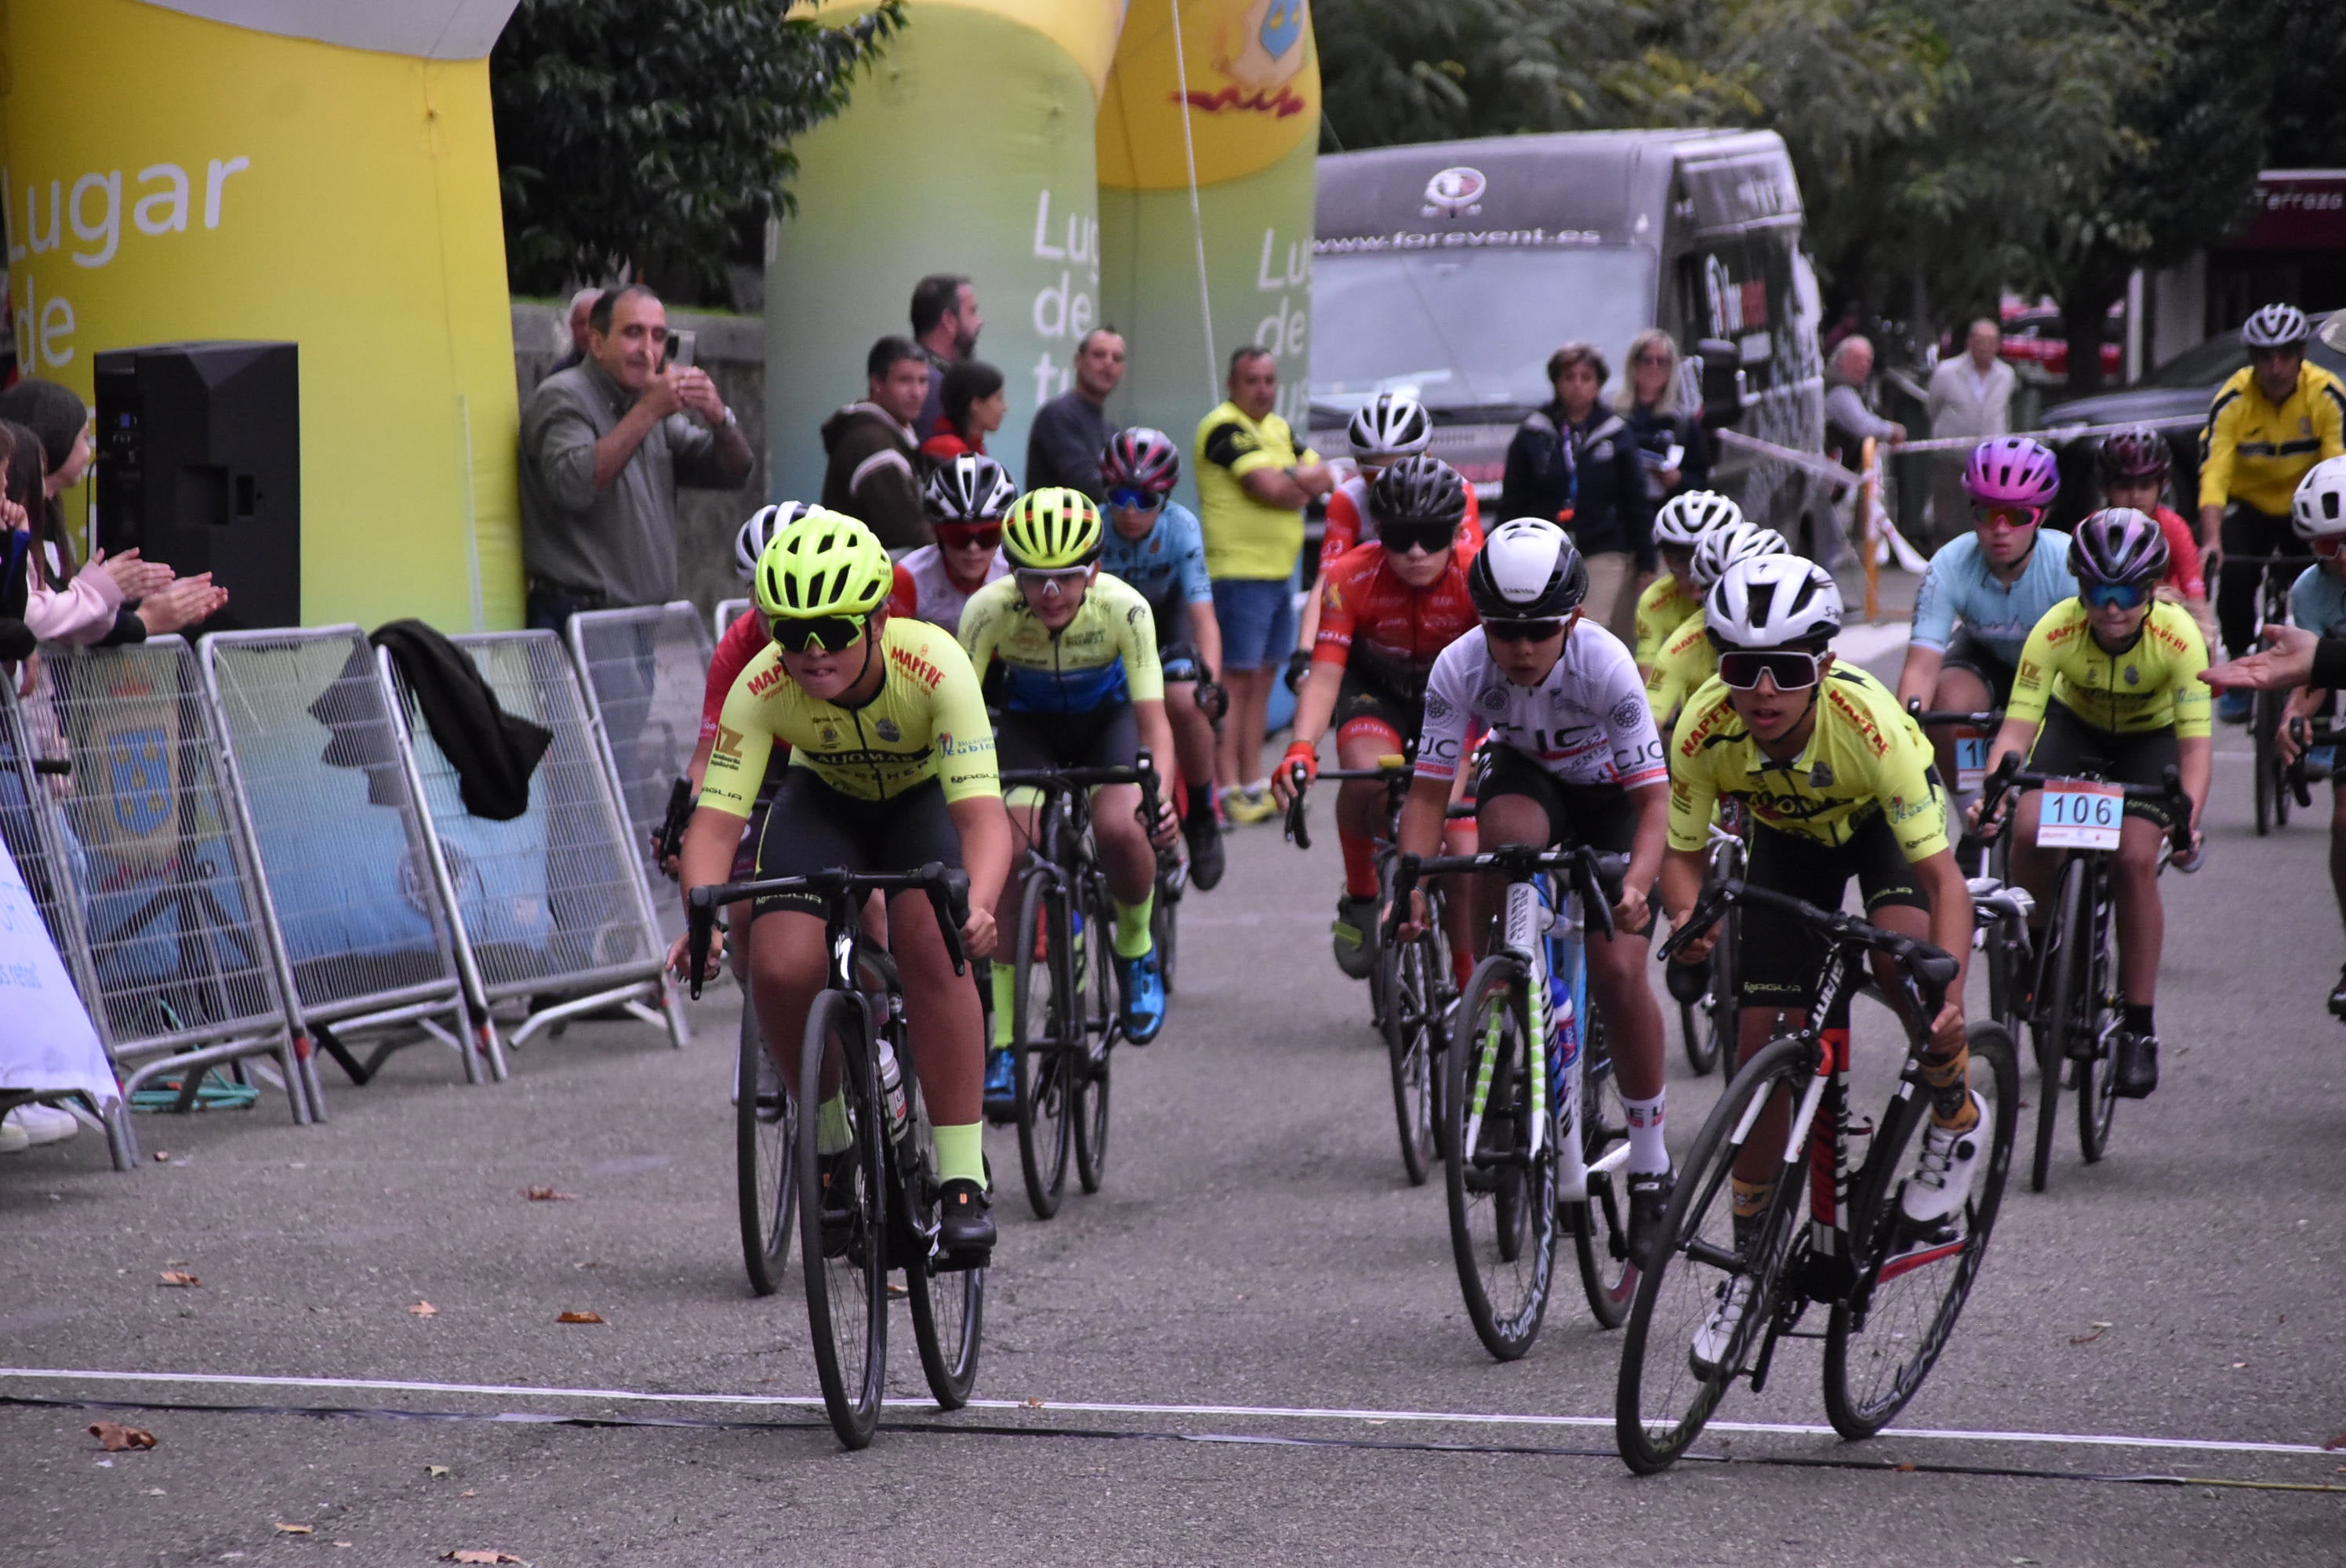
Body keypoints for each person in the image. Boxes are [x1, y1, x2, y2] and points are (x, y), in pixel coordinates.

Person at [1661, 555, 1977, 1365]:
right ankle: (1746, 1269)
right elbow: (1682, 852)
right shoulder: (1704, 726)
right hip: (1789, 844)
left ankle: (1953, 1117)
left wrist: (1947, 984)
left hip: (1882, 829)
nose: (1762, 691)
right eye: (1741, 668)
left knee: (1900, 971)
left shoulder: (1869, 729)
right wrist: (1685, 917)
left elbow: (1944, 881)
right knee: (1758, 1047)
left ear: (1825, 666)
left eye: (1787, 670)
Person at [673, 508, 1011, 1259]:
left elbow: (986, 821)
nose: (813, 652)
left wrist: (978, 904)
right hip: (823, 803)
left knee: (935, 940)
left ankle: (960, 1174)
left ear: (879, 619)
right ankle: (831, 1144)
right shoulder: (762, 686)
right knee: (781, 962)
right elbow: (715, 827)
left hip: (921, 803)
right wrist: (704, 923)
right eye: (792, 633)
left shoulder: (936, 665)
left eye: (833, 630)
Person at [1389, 517, 1673, 1254]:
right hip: (1530, 781)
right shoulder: (1460, 666)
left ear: (1573, 618)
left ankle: (1650, 1163)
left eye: (1538, 630)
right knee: (1506, 841)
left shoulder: (1605, 665)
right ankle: (1508, 988)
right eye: (1501, 629)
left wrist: (1639, 885)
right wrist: (1409, 882)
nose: (1518, 648)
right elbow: (1426, 796)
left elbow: (1654, 806)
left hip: (1614, 803)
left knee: (1617, 967)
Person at [961, 488, 1182, 1109]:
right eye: (1035, 579)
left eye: (1065, 577)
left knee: (1120, 826)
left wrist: (1156, 798)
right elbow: (962, 716)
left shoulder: (1126, 610)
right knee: (1009, 856)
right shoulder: (986, 612)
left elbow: (1156, 726)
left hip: (1104, 724)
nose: (1051, 593)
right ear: (1013, 574)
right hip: (1028, 730)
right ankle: (1004, 1042)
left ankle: (1135, 946)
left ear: (1094, 570)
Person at [1977, 509, 2209, 1098]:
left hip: (2148, 742)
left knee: (2134, 860)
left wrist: (2186, 822)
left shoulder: (2179, 639)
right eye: (2097, 591)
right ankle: (2039, 949)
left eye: (2127, 591)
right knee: (2028, 829)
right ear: (2080, 589)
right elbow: (2016, 731)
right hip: (2073, 727)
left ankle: (2138, 1028)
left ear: (2152, 587)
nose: (2111, 606)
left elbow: (2196, 753)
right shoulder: (2055, 629)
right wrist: (1996, 791)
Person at [1273, 456, 1482, 983]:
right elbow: (1323, 677)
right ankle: (1362, 892)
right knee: (1366, 776)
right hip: (1377, 688)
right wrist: (1300, 747)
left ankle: (1467, 975)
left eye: (1432, 536)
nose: (1416, 552)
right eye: (1402, 536)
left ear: (1457, 530)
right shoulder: (1350, 576)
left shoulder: (1479, 576)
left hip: (1453, 696)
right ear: (1380, 531)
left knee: (1459, 842)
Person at [518, 284, 752, 630]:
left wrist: (720, 418)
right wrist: (648, 410)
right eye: (633, 333)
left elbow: (734, 471)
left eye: (658, 337)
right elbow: (575, 486)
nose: (647, 350)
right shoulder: (564, 396)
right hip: (577, 616)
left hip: (636, 623)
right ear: (596, 343)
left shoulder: (648, 404)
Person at [1193, 346, 1334, 823]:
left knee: (1262, 682)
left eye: (1270, 380)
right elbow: (1271, 489)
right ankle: (1226, 785)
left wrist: (1292, 478)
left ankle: (1252, 780)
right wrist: (1298, 482)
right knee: (1233, 685)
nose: (1263, 389)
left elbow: (1325, 474)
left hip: (1278, 574)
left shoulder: (1277, 429)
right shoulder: (1224, 426)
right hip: (1238, 574)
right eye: (1252, 380)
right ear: (1233, 384)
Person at [1895, 437, 2075, 798]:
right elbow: (1921, 670)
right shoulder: (1948, 565)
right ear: (1972, 511)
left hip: (2059, 671)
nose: (2002, 530)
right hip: (1987, 659)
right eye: (1989, 514)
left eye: (2020, 516)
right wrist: (1904, 738)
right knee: (1945, 707)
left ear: (2044, 516)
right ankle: (1975, 819)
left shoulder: (2068, 563)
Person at [2196, 303, 2346, 720]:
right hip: (2252, 506)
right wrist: (2211, 542)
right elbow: (2215, 473)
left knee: (2317, 592)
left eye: (2285, 355)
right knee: (2237, 574)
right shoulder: (2232, 399)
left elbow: (2339, 469)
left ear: (2301, 354)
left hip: (2308, 508)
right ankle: (2242, 657)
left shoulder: (2327, 393)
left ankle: (2317, 712)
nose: (2275, 366)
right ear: (2252, 360)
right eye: (2264, 357)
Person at [1096, 427, 1228, 890]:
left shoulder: (1182, 528)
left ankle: (1202, 812)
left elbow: (1204, 619)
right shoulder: (1093, 529)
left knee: (1187, 699)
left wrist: (1209, 682)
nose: (1131, 511)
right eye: (1121, 496)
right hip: (1107, 632)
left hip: (1164, 624)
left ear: (1166, 498)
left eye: (1145, 499)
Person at [1295, 393, 1485, 670]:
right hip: (1382, 634)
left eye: (1399, 468)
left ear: (1427, 457)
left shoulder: (1456, 492)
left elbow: (1472, 577)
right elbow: (1327, 584)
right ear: (1357, 465)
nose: (1386, 482)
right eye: (1372, 474)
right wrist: (1304, 654)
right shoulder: (1347, 499)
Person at [1498, 341, 1654, 645]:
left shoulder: (1616, 433)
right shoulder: (1534, 433)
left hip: (1603, 545)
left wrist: (1646, 561)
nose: (1577, 386)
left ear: (1598, 384)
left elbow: (1636, 501)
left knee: (1588, 627)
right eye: (1569, 378)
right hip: (1544, 547)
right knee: (1546, 624)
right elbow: (1513, 499)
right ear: (1556, 383)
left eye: (1586, 378)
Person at [2269, 458, 2346, 1014]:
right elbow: (2312, 672)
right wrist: (2293, 715)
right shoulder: (2311, 590)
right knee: (2345, 820)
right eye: (2325, 548)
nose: (2339, 560)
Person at [1643, 519, 1788, 727]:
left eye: (1756, 595)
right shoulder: (1683, 645)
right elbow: (1648, 723)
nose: (1744, 611)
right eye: (1726, 598)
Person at [820, 336, 933, 553]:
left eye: (923, 381)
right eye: (905, 381)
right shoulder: (874, 446)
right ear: (877, 383)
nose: (917, 393)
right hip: (869, 579)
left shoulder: (886, 433)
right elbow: (909, 532)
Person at [2095, 426, 2210, 637]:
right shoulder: (2088, 533)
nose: (2136, 496)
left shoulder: (2175, 528)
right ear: (2106, 488)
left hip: (2163, 629)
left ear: (2162, 485)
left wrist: (2205, 647)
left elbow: (2197, 603)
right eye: (2124, 486)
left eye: (2146, 485)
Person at [889, 454, 1015, 636]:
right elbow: (892, 647)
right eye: (958, 536)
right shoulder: (909, 577)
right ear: (938, 534)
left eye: (988, 535)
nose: (973, 548)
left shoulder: (1015, 571)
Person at [1924, 320, 2018, 546]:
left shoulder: (2007, 375)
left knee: (1987, 517)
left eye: (1990, 342)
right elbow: (1931, 407)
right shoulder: (1947, 372)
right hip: (1951, 458)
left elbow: (2005, 410)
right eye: (1979, 342)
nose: (1984, 348)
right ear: (1969, 343)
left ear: (1997, 345)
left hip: (1990, 463)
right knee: (1945, 519)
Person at [1634, 489, 1740, 680]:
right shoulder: (1656, 600)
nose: (1694, 574)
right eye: (1680, 560)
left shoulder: (1751, 599)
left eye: (1707, 561)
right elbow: (1647, 679)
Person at [1614, 328, 1712, 504]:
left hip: (1667, 513)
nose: (1654, 367)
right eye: (1647, 360)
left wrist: (1678, 480)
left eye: (1662, 362)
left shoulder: (1683, 423)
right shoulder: (1613, 418)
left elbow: (1703, 487)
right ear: (1633, 364)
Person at [1027, 328, 1125, 500]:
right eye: (1099, 354)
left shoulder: (1111, 431)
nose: (1108, 363)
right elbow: (1086, 486)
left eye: (1116, 358)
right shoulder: (1057, 415)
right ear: (1078, 361)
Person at [910, 273, 982, 442]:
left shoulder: (933, 378)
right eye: (972, 311)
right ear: (949, 320)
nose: (979, 322)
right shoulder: (933, 387)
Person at [920, 360, 1007, 464]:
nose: (1005, 408)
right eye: (998, 399)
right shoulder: (947, 449)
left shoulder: (975, 447)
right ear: (976, 404)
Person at [550, 286, 603, 376]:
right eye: (581, 323)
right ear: (572, 326)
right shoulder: (561, 373)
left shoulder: (624, 371)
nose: (587, 330)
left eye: (593, 322)